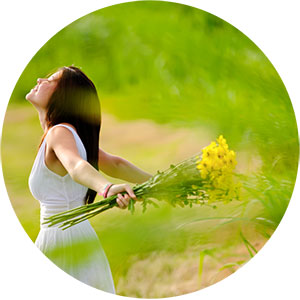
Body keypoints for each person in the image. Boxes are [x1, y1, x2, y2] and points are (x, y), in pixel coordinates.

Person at [26, 66, 152, 293]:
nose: (40, 79)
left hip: (63, 242)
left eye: (51, 79)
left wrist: (107, 188)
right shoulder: (68, 135)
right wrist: (157, 182)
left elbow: (77, 166)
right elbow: (115, 164)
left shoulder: (60, 132)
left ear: (64, 95)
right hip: (77, 238)